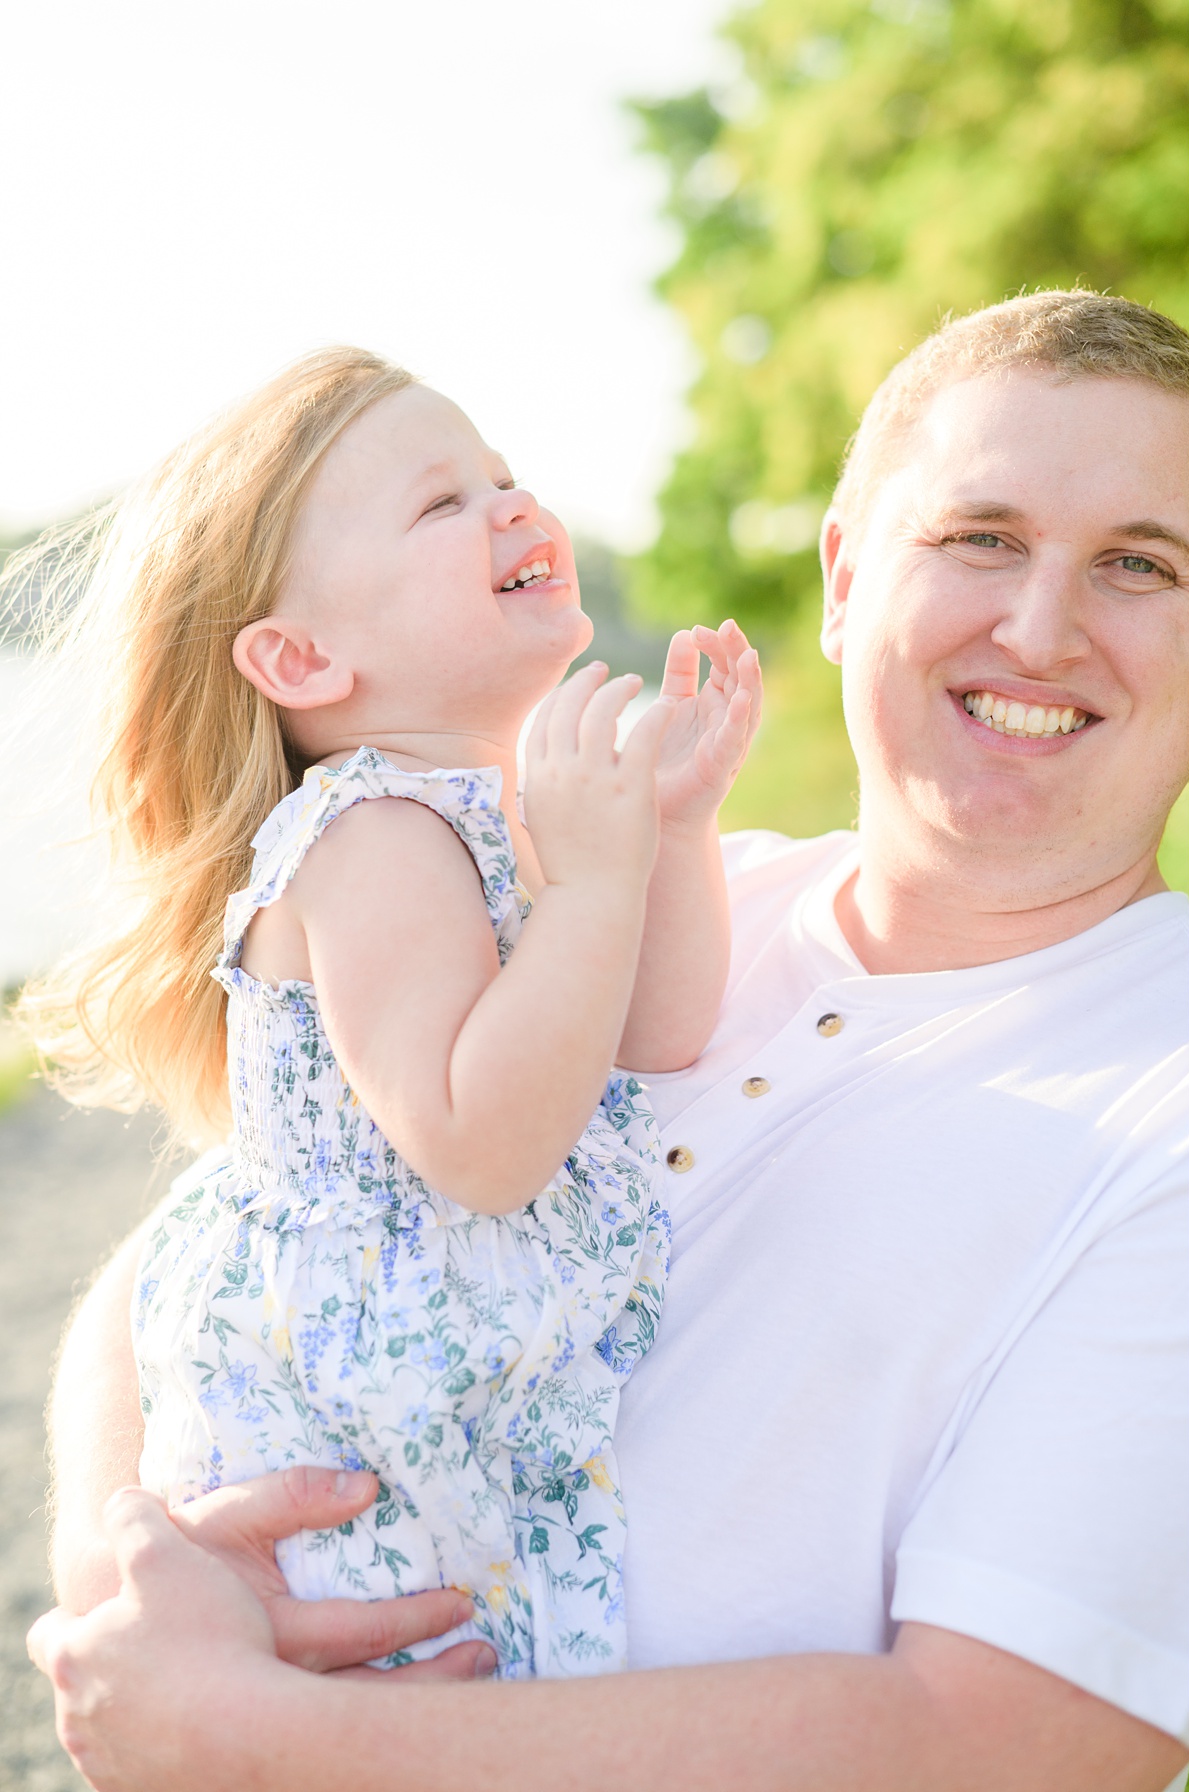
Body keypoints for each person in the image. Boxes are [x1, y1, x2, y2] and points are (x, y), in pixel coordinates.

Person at [30, 290, 1189, 1792]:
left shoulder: (1181, 1111)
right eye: (980, 537)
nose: (1040, 627)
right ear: (844, 581)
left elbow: (1013, 1742)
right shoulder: (600, 884)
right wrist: (127, 1577)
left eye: (1139, 565)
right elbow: (180, 1264)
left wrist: (265, 1739)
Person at [18, 346, 760, 1682]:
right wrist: (593, 884)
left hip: (464, 1398)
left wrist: (670, 832)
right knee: (414, 1697)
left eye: (505, 477)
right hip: (358, 1430)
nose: (515, 508)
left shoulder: (489, 816)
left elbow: (653, 1042)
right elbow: (483, 1145)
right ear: (300, 657)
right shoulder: (372, 839)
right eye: (443, 505)